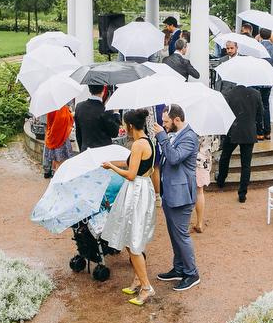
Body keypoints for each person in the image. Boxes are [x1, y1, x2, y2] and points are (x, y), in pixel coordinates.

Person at [100, 109, 157, 306]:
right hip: (142, 188)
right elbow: (129, 163)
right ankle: (137, 280)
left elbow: (131, 174)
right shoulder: (148, 141)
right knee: (130, 236)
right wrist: (109, 162)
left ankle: (147, 287)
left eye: (125, 125)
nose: (124, 128)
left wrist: (112, 168)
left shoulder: (137, 144)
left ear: (130, 126)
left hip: (136, 191)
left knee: (133, 242)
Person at [154, 104, 201, 292]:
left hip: (182, 195)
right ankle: (179, 268)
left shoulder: (189, 137)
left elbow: (174, 158)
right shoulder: (176, 134)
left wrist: (162, 137)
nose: (163, 125)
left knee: (181, 235)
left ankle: (192, 273)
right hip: (171, 192)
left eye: (166, 122)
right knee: (174, 234)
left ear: (176, 120)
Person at [215, 82, 262, 203]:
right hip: (248, 132)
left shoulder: (230, 94)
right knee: (246, 164)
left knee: (225, 156)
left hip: (233, 131)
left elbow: (224, 114)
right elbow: (260, 114)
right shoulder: (256, 94)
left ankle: (221, 180)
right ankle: (242, 193)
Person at [256, 28, 273, 140]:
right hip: (268, 80)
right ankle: (267, 132)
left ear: (260, 36)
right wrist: (272, 69)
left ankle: (259, 133)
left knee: (258, 106)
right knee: (265, 105)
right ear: (270, 36)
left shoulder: (257, 47)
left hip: (257, 79)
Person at [74, 85, 121, 151]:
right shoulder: (105, 109)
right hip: (102, 151)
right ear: (104, 90)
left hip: (86, 150)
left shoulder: (79, 106)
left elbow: (78, 133)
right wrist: (116, 113)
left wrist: (82, 150)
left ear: (89, 89)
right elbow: (114, 133)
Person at [42, 103, 75, 178]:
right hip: (60, 137)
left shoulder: (50, 107)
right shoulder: (62, 108)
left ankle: (48, 171)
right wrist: (71, 114)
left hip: (51, 135)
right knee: (59, 160)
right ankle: (56, 176)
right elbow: (63, 119)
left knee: (53, 157)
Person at [193, 134, 217, 233]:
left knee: (192, 191)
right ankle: (199, 222)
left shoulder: (194, 126)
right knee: (200, 191)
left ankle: (197, 223)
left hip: (195, 160)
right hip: (206, 160)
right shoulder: (212, 127)